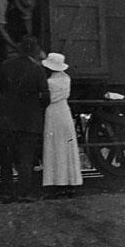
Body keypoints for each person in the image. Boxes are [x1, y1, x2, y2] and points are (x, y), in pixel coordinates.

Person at [0, 36, 49, 202]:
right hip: (29, 121)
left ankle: (6, 193)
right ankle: (23, 193)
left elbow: (0, 87)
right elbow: (45, 95)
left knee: (5, 159)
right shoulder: (38, 69)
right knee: (25, 159)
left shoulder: (6, 65)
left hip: (6, 119)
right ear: (33, 51)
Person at [41, 52, 83, 197]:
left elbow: (45, 98)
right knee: (66, 146)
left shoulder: (50, 82)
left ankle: (58, 183)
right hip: (64, 111)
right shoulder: (66, 79)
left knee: (55, 147)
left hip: (53, 113)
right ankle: (71, 182)